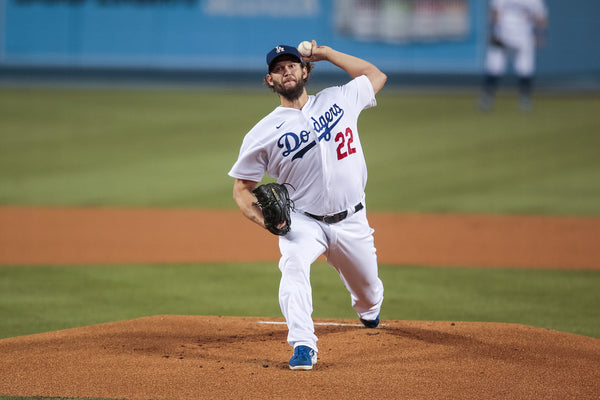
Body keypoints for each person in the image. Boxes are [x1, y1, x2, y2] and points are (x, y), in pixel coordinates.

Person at [228, 41, 387, 370]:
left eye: (291, 65)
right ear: (270, 80)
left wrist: (327, 53)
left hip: (352, 220)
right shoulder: (262, 133)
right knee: (293, 265)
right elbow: (242, 190)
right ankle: (303, 344)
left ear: (304, 70)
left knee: (370, 298)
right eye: (277, 68)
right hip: (303, 221)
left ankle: (368, 311)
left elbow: (375, 75)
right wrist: (269, 223)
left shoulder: (338, 98)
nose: (285, 70)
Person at [479, 0, 548, 111]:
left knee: (525, 68)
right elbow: (494, 13)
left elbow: (542, 18)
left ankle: (525, 100)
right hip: (502, 35)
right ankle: (486, 99)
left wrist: (539, 33)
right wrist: (492, 31)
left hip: (524, 37)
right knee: (494, 67)